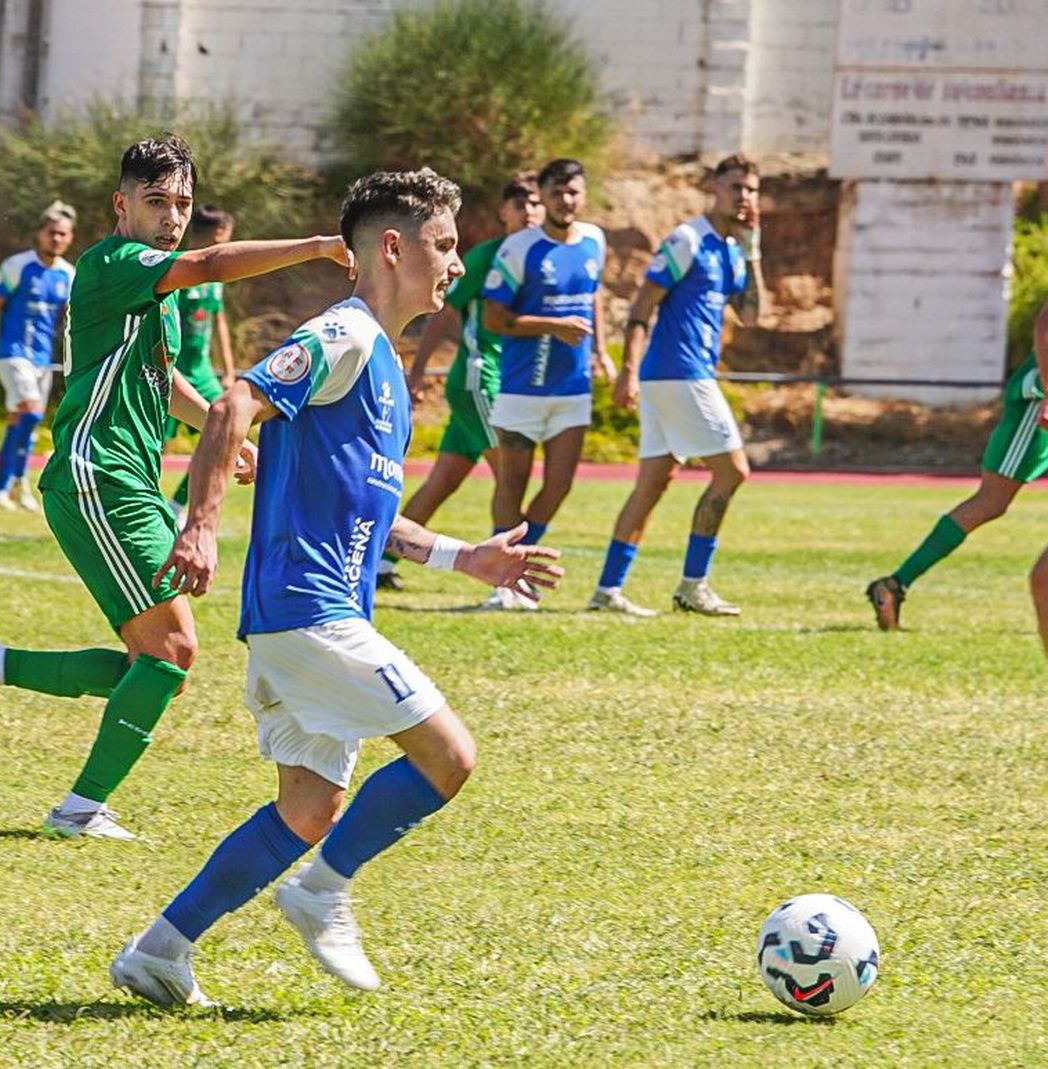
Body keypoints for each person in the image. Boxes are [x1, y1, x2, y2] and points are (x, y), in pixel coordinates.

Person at [108, 169, 563, 1006]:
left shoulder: (384, 368)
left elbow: (370, 512)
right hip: (306, 610)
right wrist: (200, 525)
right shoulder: (344, 334)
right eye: (443, 244)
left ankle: (159, 950)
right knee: (449, 756)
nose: (455, 263)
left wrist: (465, 557)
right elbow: (233, 403)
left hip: (309, 616)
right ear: (392, 247)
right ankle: (322, 891)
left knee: (309, 808)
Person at [0, 135, 351, 840]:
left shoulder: (151, 291)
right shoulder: (115, 262)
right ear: (121, 205)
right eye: (157, 202)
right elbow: (210, 263)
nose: (172, 217)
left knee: (154, 661)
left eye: (182, 203)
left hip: (127, 479)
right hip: (98, 476)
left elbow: (163, 377)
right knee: (172, 652)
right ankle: (78, 809)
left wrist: (221, 431)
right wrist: (318, 246)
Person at [589, 154, 765, 617]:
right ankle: (693, 585)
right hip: (678, 372)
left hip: (681, 375)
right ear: (713, 188)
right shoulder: (687, 239)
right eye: (735, 187)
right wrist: (628, 370)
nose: (743, 197)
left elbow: (751, 315)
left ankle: (607, 590)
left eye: (750, 189)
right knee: (733, 472)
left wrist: (753, 250)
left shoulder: (733, 250)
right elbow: (642, 307)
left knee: (654, 482)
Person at [374, 173, 542, 594]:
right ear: (503, 212)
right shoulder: (489, 256)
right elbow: (446, 313)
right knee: (510, 474)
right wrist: (417, 370)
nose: (529, 212)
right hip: (478, 379)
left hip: (503, 381)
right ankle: (510, 583)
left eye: (535, 203)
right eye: (519, 204)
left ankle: (378, 562)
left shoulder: (543, 258)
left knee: (443, 481)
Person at [479, 158, 615, 610]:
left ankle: (518, 565)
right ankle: (503, 582)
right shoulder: (519, 248)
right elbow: (493, 318)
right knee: (512, 485)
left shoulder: (594, 240)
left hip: (572, 388)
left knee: (559, 486)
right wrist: (553, 326)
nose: (566, 200)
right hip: (521, 389)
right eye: (557, 192)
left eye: (573, 191)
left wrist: (601, 351)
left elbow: (593, 294)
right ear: (543, 195)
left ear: (584, 194)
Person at [866, 298, 1048, 630]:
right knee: (990, 502)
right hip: (1034, 411)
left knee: (990, 503)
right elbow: (1044, 324)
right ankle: (896, 583)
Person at [0, 201, 77, 512]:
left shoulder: (68, 275)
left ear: (70, 237)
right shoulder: (16, 266)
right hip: (12, 353)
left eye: (62, 234)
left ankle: (3, 490)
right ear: (40, 233)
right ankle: (19, 481)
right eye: (51, 232)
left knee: (20, 420)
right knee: (31, 413)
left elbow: (69, 320)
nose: (56, 239)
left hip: (42, 359)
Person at [166, 204, 237, 518]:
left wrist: (229, 370)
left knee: (223, 431)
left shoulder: (215, 276)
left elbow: (218, 321)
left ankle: (177, 505)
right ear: (219, 234)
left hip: (203, 371)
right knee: (156, 444)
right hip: (172, 371)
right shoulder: (181, 269)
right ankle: (145, 503)